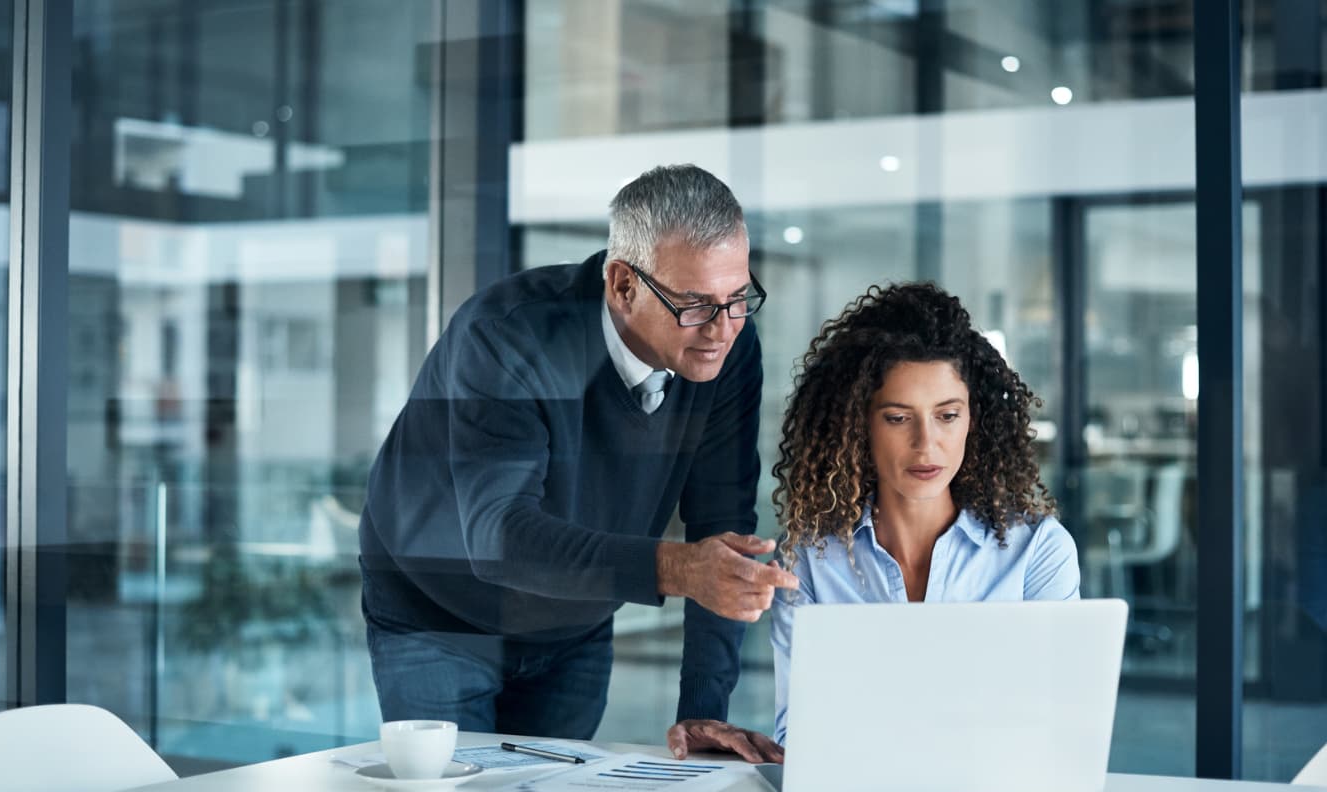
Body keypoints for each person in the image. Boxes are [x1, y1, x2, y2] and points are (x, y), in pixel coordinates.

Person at [358, 164, 798, 761]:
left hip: (575, 622)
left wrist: (702, 707)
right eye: (695, 304)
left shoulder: (728, 349)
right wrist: (676, 569)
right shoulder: (508, 336)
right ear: (623, 285)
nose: (722, 328)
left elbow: (721, 527)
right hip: (439, 613)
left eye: (738, 297)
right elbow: (498, 538)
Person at [669, 282, 1079, 759]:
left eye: (947, 415)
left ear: (974, 418)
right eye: (898, 418)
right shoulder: (810, 560)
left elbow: (1061, 729)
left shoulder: (1038, 552)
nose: (927, 445)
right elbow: (803, 734)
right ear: (859, 425)